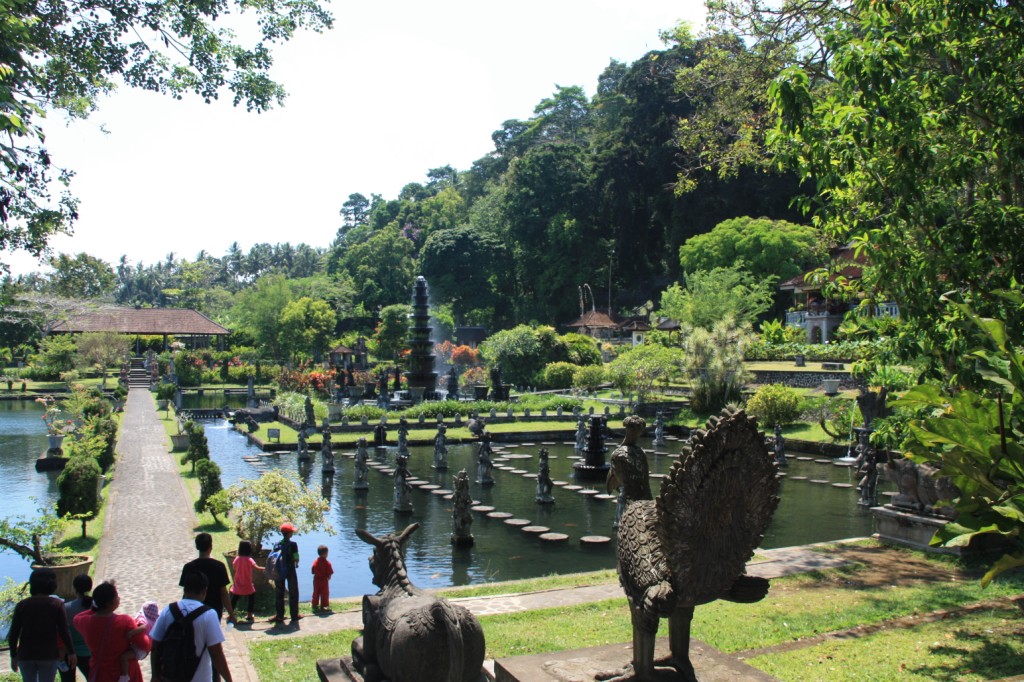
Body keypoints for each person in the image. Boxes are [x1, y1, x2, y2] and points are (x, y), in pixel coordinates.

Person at [150, 572, 233, 682]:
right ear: (204, 591)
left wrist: (155, 675)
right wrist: (229, 679)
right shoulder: (209, 614)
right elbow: (216, 653)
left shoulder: (168, 610)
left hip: (170, 677)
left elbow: (155, 646)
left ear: (184, 590)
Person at [72, 581, 149, 682]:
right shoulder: (125, 621)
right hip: (124, 674)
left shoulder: (84, 622)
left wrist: (96, 607)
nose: (119, 598)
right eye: (116, 596)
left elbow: (77, 617)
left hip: (100, 674)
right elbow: (145, 645)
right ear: (110, 603)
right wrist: (143, 629)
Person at [9, 568, 75, 682]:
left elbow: (13, 633)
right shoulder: (57, 604)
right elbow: (64, 631)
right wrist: (71, 652)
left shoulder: (22, 605)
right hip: (49, 654)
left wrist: (13, 655)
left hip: (26, 654)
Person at [180, 533, 236, 626]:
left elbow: (185, 593)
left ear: (197, 547)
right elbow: (223, 593)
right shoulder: (219, 566)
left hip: (192, 609)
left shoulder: (188, 567)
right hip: (214, 609)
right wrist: (231, 614)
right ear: (211, 546)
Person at [61, 575, 93, 682]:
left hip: (69, 652)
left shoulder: (66, 607)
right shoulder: (96, 606)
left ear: (74, 588)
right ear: (90, 587)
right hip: (90, 652)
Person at [269, 522, 301, 624]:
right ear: (290, 533)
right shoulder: (293, 544)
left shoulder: (277, 544)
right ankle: (294, 615)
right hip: (290, 570)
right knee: (293, 592)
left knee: (279, 593)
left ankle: (280, 615)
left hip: (278, 570)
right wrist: (296, 561)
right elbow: (296, 558)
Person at [229, 541, 263, 622]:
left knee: (234, 598)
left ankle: (230, 614)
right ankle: (249, 615)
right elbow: (257, 568)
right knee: (251, 597)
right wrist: (265, 568)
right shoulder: (249, 559)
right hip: (247, 583)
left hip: (238, 582)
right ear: (249, 549)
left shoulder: (237, 558)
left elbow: (234, 567)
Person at [310, 545, 334, 613]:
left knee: (316, 592)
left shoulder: (315, 562)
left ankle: (314, 603)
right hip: (324, 580)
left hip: (316, 580)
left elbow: (313, 571)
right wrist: (329, 577)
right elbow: (329, 572)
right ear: (326, 554)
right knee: (324, 593)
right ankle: (324, 605)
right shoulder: (327, 563)